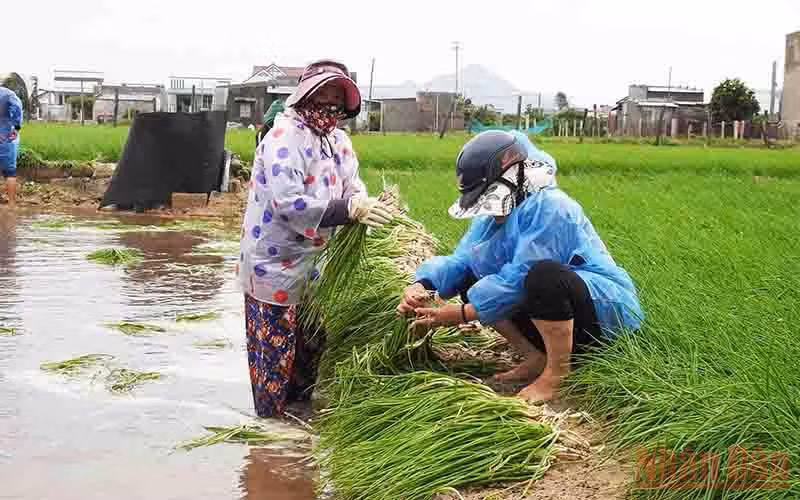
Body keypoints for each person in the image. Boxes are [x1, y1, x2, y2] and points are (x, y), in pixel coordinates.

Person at [397, 130, 642, 402]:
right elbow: (462, 260)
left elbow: (522, 276)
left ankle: (558, 374)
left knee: (543, 276)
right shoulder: (492, 217)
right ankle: (535, 357)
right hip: (554, 314)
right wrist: (422, 286)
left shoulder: (552, 207)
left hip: (600, 315)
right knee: (473, 277)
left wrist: (462, 314)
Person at [237, 59, 393, 418]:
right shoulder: (283, 138)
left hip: (317, 267)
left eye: (336, 96)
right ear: (305, 94)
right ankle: (270, 432)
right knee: (274, 356)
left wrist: (364, 201)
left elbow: (352, 186)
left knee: (310, 347)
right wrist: (349, 210)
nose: (329, 103)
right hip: (273, 264)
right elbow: (287, 202)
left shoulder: (339, 141)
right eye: (322, 93)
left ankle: (300, 418)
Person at [0, 86, 23, 208]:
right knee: (10, 172)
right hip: (6, 136)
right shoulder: (8, 94)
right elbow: (17, 109)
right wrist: (16, 127)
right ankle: (12, 205)